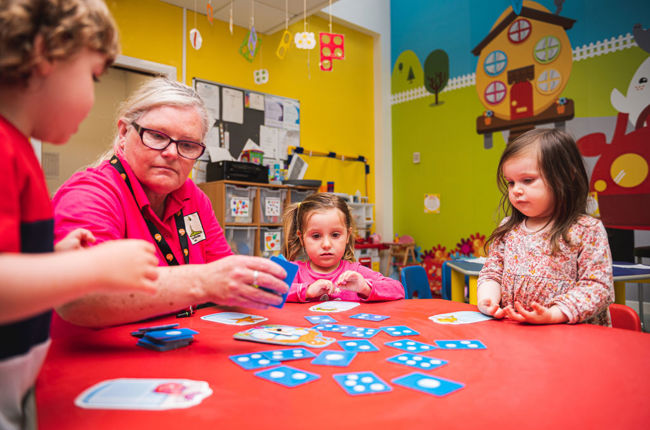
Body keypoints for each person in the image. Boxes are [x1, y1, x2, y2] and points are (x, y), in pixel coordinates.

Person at [0, 1, 161, 428]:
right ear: (43, 54)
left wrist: (55, 258)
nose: (93, 99)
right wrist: (89, 268)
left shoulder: (20, 150)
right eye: (92, 76)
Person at [52, 77, 289, 328]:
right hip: (93, 359)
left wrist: (294, 286)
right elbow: (81, 297)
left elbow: (224, 273)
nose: (171, 153)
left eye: (187, 144)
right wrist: (204, 283)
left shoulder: (193, 196)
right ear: (123, 133)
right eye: (156, 136)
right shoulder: (91, 194)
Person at [476, 128, 614, 326]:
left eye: (528, 180)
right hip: (519, 336)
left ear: (566, 177)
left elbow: (598, 288)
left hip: (573, 338)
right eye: (511, 182)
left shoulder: (586, 230)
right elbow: (492, 272)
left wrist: (554, 314)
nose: (516, 190)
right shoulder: (508, 229)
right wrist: (487, 300)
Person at [282, 193, 404, 302]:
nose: (326, 244)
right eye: (316, 236)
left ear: (347, 236)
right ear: (301, 238)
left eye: (335, 235)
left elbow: (398, 289)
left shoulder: (355, 272)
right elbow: (269, 292)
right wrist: (307, 291)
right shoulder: (295, 271)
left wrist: (365, 288)